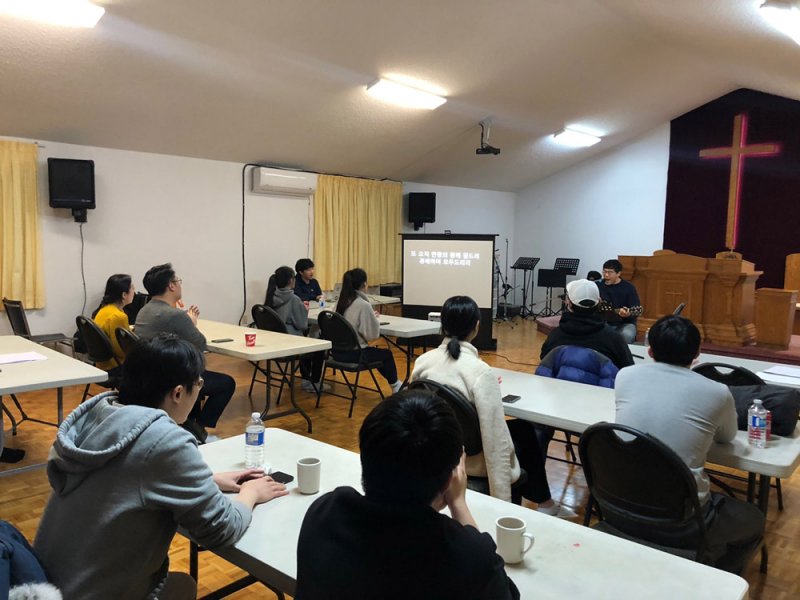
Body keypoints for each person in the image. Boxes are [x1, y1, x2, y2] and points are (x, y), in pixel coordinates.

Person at [33, 334, 288, 600]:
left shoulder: (102, 417)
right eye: (199, 383)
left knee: (180, 584)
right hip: (97, 593)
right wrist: (251, 493)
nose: (200, 390)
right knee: (182, 587)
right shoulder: (164, 440)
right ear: (177, 393)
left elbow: (122, 479)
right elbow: (221, 529)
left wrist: (209, 480)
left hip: (48, 586)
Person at [294, 390, 520, 600]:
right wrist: (458, 503)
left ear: (365, 457)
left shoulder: (324, 513)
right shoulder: (469, 557)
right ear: (448, 481)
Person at [411, 296, 574, 517]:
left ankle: (545, 502)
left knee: (523, 429)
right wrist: (501, 505)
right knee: (524, 435)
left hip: (437, 451)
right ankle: (545, 504)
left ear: (443, 325)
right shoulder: (480, 372)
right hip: (469, 460)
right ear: (476, 327)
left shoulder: (423, 361)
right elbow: (494, 439)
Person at [614, 315, 764, 555]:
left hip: (620, 500)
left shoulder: (625, 375)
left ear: (650, 351)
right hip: (680, 514)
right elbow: (727, 437)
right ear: (697, 353)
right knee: (753, 516)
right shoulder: (717, 392)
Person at [134, 263, 234, 443]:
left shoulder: (144, 310)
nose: (180, 284)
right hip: (171, 377)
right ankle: (197, 429)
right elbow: (201, 344)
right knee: (226, 384)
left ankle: (190, 424)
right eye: (178, 281)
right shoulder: (175, 315)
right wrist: (192, 323)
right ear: (171, 286)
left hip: (148, 373)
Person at [540, 279, 633, 370]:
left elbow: (545, 363)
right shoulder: (614, 339)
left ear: (569, 304)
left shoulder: (555, 336)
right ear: (599, 302)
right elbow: (627, 369)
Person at [334, 268, 402, 393]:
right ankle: (396, 385)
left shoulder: (340, 302)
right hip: (355, 354)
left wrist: (369, 316)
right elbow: (371, 335)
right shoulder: (363, 305)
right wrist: (373, 319)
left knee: (379, 355)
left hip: (336, 353)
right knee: (386, 355)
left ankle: (396, 384)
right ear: (364, 284)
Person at [265, 266, 328, 393]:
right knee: (319, 346)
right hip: (290, 342)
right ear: (291, 280)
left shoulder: (271, 296)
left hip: (273, 342)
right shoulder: (293, 299)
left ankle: (307, 379)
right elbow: (303, 325)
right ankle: (312, 381)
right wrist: (304, 311)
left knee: (309, 342)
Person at [91, 273, 135, 374]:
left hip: (101, 364)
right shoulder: (119, 316)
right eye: (132, 288)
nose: (134, 292)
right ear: (124, 295)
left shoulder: (104, 310)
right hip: (115, 366)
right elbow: (121, 351)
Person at [597, 259, 642, 343]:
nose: (606, 275)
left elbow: (636, 310)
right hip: (602, 322)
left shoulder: (628, 287)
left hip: (624, 323)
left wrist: (628, 313)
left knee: (627, 335)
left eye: (610, 272)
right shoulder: (598, 285)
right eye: (604, 272)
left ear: (618, 273)